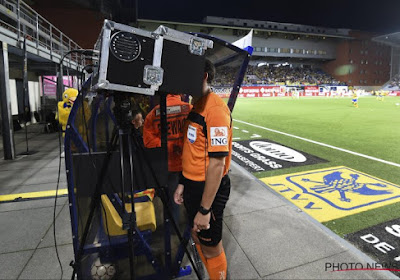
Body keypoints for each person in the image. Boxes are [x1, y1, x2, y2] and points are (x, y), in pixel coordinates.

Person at [174, 59, 232, 280]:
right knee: (197, 236)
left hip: (208, 190)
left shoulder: (215, 110)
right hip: (192, 186)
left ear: (205, 76)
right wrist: (182, 182)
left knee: (211, 246)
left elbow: (217, 163)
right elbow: (192, 149)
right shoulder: (195, 104)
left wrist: (205, 210)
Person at [143, 94, 192, 222]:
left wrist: (168, 146)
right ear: (180, 94)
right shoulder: (190, 109)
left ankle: (172, 228)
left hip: (168, 165)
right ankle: (191, 225)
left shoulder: (153, 114)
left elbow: (148, 142)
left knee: (172, 200)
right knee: (192, 198)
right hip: (189, 164)